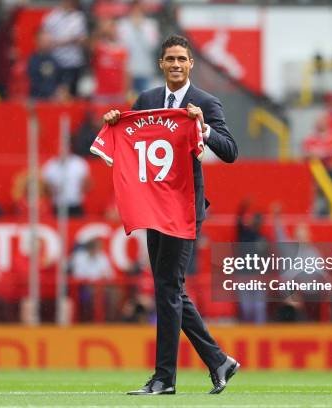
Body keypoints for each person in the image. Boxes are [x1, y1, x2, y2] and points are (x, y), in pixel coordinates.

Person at [103, 35, 239, 395]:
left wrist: (204, 128)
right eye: (170, 59)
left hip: (183, 209)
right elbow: (129, 136)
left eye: (181, 58)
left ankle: (165, 378)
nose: (176, 64)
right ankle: (218, 361)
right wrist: (117, 121)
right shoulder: (147, 101)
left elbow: (230, 151)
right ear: (161, 64)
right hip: (153, 206)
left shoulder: (206, 103)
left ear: (191, 63)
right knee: (169, 288)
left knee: (167, 288)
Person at [41, 0, 87, 97]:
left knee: (71, 94)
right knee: (54, 93)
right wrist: (69, 40)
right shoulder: (52, 17)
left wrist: (57, 42)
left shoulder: (78, 17)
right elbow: (45, 38)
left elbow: (80, 39)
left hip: (73, 62)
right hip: (55, 61)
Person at [117, 0, 159, 94]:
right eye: (134, 10)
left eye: (138, 10)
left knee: (145, 101)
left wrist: (139, 29)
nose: (136, 12)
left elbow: (152, 46)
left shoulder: (150, 25)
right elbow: (122, 46)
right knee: (128, 102)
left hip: (145, 69)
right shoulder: (122, 24)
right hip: (128, 70)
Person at [41, 144, 90, 217]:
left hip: (75, 204)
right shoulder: (50, 166)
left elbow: (88, 183)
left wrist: (80, 190)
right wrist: (52, 189)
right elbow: (45, 187)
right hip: (57, 205)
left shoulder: (79, 163)